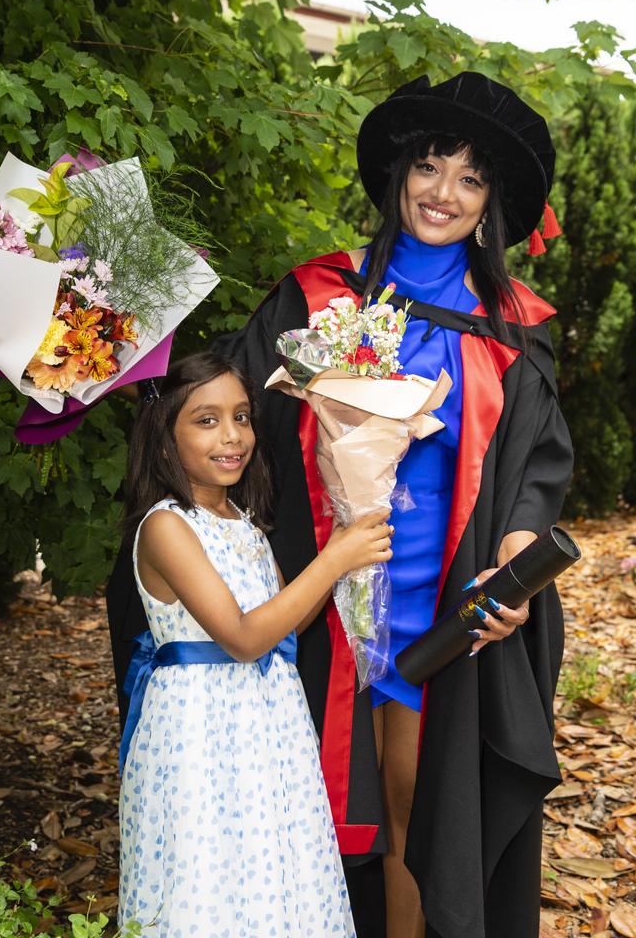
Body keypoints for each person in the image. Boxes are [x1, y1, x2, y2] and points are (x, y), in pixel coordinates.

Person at [107, 71, 573, 938]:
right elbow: (217, 404)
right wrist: (106, 339)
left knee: (416, 811)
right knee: (299, 805)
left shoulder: (511, 325)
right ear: (399, 176)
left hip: (439, 607)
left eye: (470, 180)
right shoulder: (318, 296)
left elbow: (536, 463)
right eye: (430, 168)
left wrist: (515, 553)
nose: (444, 194)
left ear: (491, 205)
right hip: (313, 593)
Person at [116, 351, 394, 937]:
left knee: (270, 872)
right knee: (210, 877)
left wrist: (346, 545)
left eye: (242, 417)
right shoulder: (166, 526)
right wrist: (333, 558)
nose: (232, 435)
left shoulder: (242, 521)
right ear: (165, 436)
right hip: (201, 732)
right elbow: (243, 638)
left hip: (267, 726)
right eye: (206, 419)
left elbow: (284, 623)